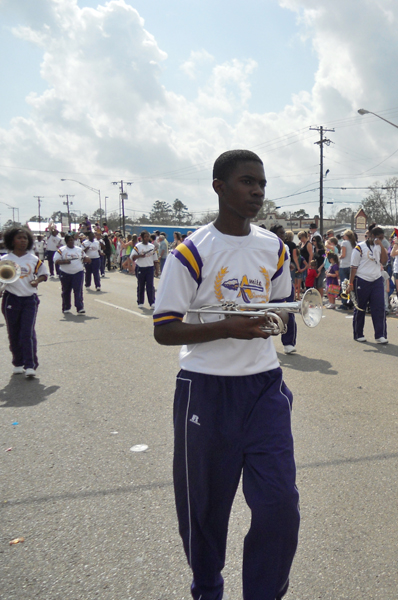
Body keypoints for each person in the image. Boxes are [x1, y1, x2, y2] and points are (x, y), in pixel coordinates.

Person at [152, 149, 299, 600]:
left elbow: (281, 311)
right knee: (205, 509)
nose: (256, 191)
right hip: (207, 390)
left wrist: (274, 322)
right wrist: (228, 327)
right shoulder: (191, 251)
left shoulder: (274, 247)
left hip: (264, 387)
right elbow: (164, 329)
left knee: (279, 506)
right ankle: (207, 586)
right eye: (246, 181)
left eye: (262, 184)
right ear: (218, 186)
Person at [2, 227, 48, 378]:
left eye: (25, 238)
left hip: (29, 299)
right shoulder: (5, 260)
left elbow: (43, 274)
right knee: (13, 332)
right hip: (11, 299)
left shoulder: (33, 259)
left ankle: (30, 365)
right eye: (19, 238)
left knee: (27, 332)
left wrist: (37, 280)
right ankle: (18, 363)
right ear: (11, 241)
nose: (23, 241)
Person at [349, 225, 389, 343]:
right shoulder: (359, 247)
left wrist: (380, 245)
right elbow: (353, 267)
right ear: (371, 236)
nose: (380, 240)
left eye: (382, 238)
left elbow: (384, 260)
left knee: (379, 308)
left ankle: (380, 335)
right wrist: (351, 283)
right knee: (360, 308)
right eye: (378, 237)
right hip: (361, 279)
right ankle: (358, 333)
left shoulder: (379, 247)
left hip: (376, 279)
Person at [55, 233, 88, 314]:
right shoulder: (61, 250)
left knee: (78, 290)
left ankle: (79, 307)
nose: (71, 242)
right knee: (66, 290)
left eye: (72, 240)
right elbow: (56, 261)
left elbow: (85, 257)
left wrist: (87, 259)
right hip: (65, 273)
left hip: (78, 272)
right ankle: (66, 307)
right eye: (69, 240)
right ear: (66, 242)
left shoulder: (79, 249)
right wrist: (64, 261)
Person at [131, 231, 156, 308]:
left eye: (147, 236)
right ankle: (140, 302)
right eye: (145, 237)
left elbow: (155, 259)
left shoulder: (152, 246)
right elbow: (132, 257)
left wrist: (157, 269)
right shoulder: (138, 246)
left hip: (150, 268)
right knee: (141, 285)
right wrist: (139, 256)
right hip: (141, 268)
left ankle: (152, 302)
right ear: (142, 238)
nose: (146, 238)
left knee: (150, 285)